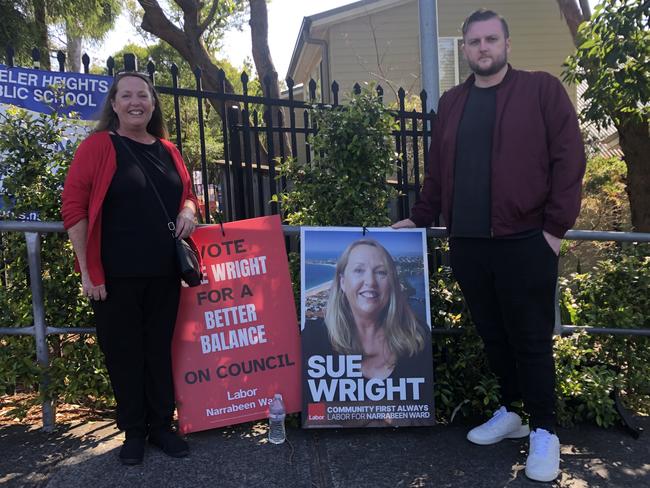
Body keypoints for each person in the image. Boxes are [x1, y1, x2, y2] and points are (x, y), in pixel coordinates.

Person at [393, 9, 585, 482]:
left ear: (507, 44)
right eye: (475, 41)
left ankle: (545, 431)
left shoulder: (541, 91)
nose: (483, 48)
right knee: (494, 335)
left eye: (491, 39)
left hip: (526, 241)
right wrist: (418, 218)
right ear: (464, 49)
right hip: (469, 244)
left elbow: (570, 159)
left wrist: (554, 232)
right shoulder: (454, 103)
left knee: (532, 339)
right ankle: (512, 412)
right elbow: (438, 175)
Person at [62, 72, 199, 465]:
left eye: (143, 95)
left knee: (158, 351)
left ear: (153, 104)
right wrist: (89, 273)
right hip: (115, 277)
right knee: (124, 354)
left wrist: (189, 210)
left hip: (164, 274)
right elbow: (74, 209)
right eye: (127, 95)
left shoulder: (169, 150)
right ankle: (134, 432)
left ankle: (161, 426)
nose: (136, 101)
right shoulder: (98, 146)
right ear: (115, 104)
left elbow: (188, 195)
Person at [304, 239, 429, 381]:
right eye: (358, 270)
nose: (370, 281)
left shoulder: (417, 337)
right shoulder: (313, 337)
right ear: (342, 282)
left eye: (381, 272)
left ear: (392, 283)